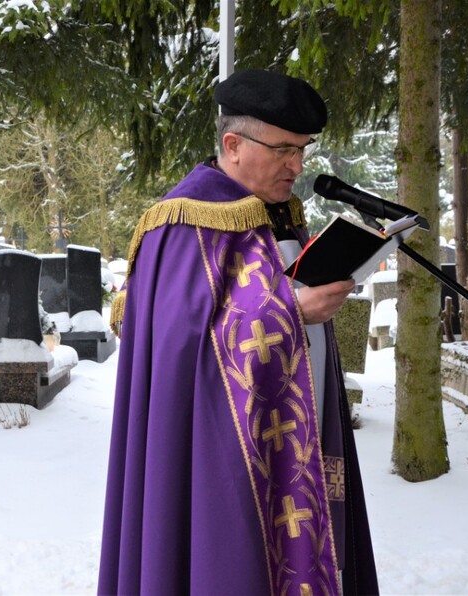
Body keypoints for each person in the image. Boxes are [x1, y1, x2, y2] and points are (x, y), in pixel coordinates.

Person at [98, 69, 379, 595]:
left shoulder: (279, 216)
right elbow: (177, 349)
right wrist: (292, 311)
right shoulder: (179, 224)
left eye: (303, 150)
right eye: (283, 150)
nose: (297, 166)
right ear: (233, 144)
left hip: (294, 433)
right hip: (216, 453)